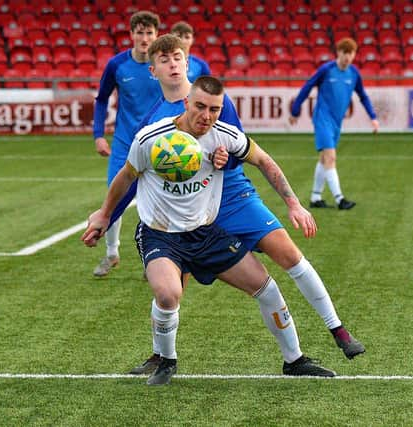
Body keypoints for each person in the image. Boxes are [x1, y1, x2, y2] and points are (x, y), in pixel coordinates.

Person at [106, 35, 364, 376]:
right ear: (152, 70)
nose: (172, 64)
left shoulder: (212, 100)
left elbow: (241, 148)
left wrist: (289, 200)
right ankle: (162, 357)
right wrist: (106, 215)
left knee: (285, 255)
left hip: (231, 197)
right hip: (182, 216)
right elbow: (131, 175)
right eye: (164, 60)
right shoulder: (153, 125)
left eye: (178, 57)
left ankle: (333, 332)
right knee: (170, 291)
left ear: (188, 63)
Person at [91, 11, 163, 276]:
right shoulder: (117, 65)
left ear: (156, 35)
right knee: (115, 194)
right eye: (140, 32)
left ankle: (154, 259)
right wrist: (99, 134)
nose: (144, 38)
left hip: (158, 145)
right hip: (124, 145)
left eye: (149, 33)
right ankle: (111, 254)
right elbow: (101, 99)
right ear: (131, 34)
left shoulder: (163, 64)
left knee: (157, 203)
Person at [289, 37, 379, 210]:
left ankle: (315, 198)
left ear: (354, 55)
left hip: (337, 122)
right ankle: (340, 199)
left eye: (351, 53)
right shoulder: (327, 69)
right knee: (330, 157)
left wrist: (373, 117)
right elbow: (308, 86)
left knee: (324, 159)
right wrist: (295, 110)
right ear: (338, 53)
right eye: (345, 53)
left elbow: (363, 96)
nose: (347, 57)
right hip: (323, 118)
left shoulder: (353, 73)